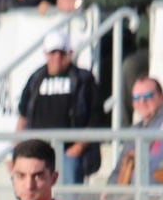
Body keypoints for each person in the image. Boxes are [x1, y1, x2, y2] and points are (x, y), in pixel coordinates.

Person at [16, 30, 106, 184]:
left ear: (70, 54)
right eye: (53, 53)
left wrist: (78, 147)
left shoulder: (83, 79)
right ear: (46, 54)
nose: (57, 57)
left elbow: (96, 118)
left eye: (62, 53)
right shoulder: (36, 78)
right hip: (38, 152)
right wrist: (17, 150)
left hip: (68, 152)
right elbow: (23, 116)